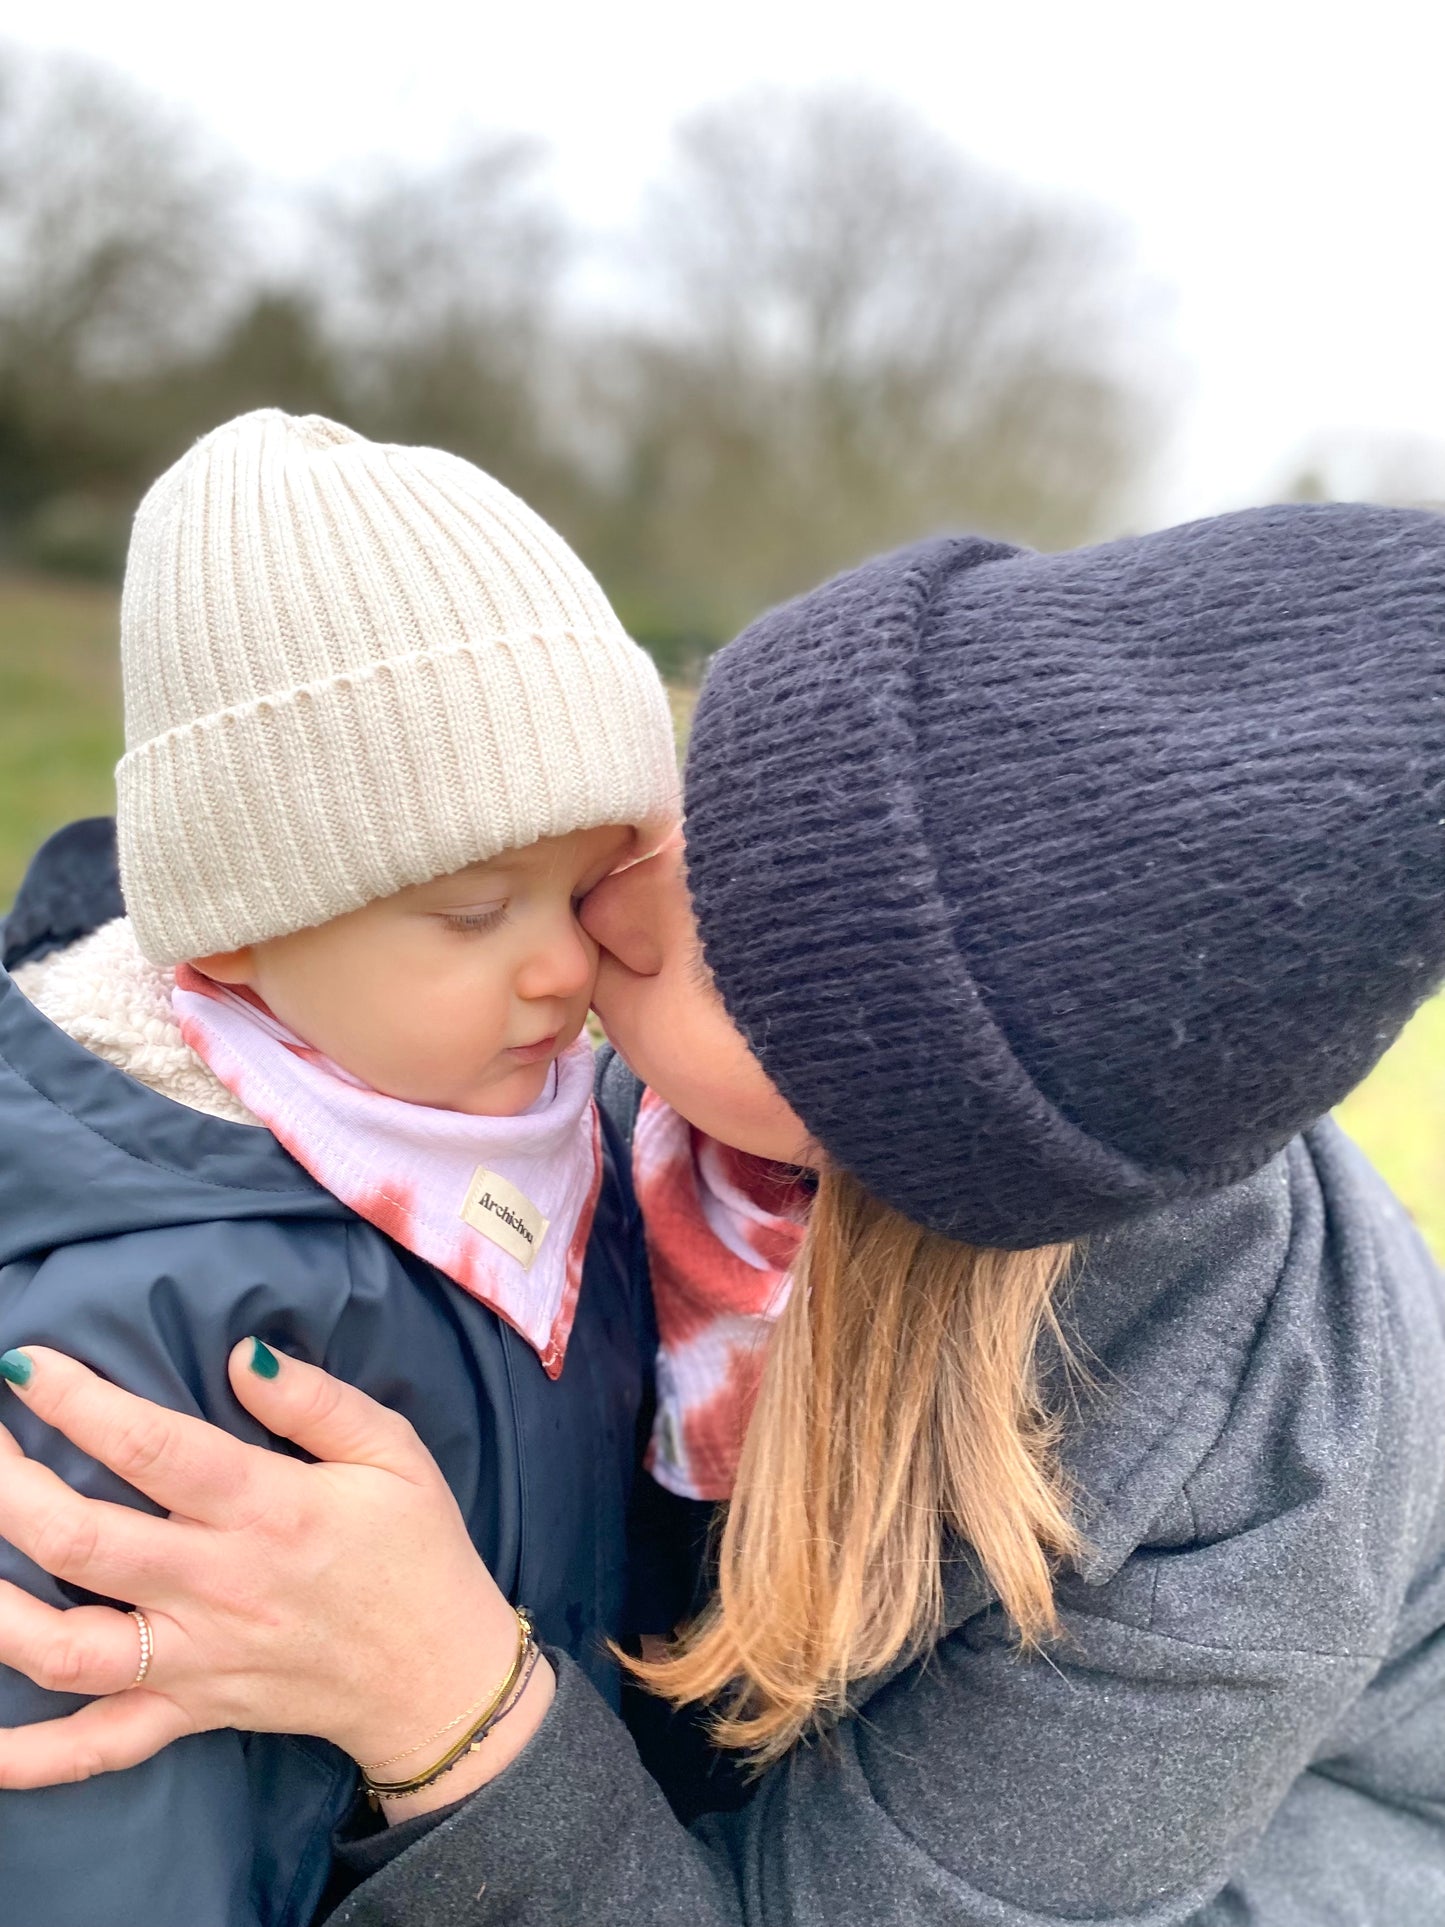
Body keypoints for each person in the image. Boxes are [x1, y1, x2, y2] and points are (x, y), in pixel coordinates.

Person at [0, 503, 1443, 1925]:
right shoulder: (631, 1072)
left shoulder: (1249, 1497)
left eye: (749, 957)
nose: (614, 911)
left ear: (883, 1136)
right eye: (724, 793)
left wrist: (444, 1704)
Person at [0, 409, 680, 1926]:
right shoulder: (133, 1322)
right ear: (230, 923)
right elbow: (85, 1834)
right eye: (470, 910)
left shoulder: (582, 1153)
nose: (565, 964)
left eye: (583, 885)